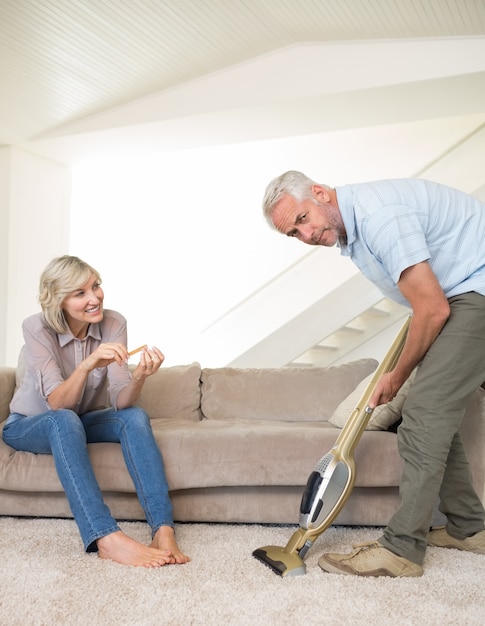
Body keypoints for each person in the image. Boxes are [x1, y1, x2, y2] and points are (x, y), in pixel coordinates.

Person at [262, 171, 485, 577]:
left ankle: (401, 550)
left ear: (319, 193)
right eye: (294, 232)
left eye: (303, 218)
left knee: (420, 419)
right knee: (435, 419)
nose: (305, 234)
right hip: (459, 294)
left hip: (477, 293)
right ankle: (469, 527)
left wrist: (397, 376)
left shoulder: (379, 218)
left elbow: (432, 308)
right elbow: (427, 300)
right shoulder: (354, 231)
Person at [2, 255, 190, 568]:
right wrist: (88, 364)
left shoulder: (114, 323)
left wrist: (139, 376)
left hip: (77, 422)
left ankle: (163, 529)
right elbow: (58, 404)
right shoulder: (36, 328)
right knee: (62, 419)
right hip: (28, 424)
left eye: (96, 286)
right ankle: (105, 537)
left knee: (134, 417)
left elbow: (121, 402)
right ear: (58, 301)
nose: (95, 298)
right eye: (80, 293)